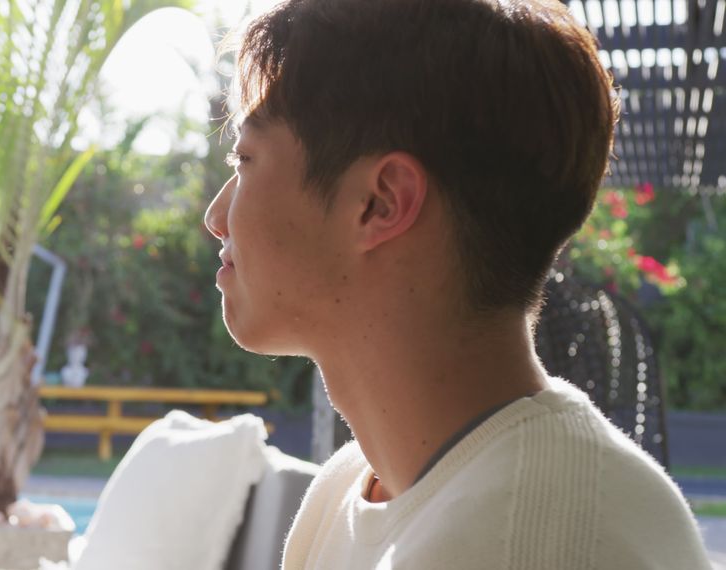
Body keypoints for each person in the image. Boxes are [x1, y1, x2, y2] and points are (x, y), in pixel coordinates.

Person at [203, 0, 712, 568]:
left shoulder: (537, 538)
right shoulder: (348, 488)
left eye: (245, 159)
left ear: (381, 203)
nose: (216, 215)